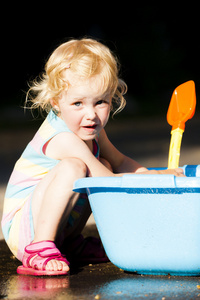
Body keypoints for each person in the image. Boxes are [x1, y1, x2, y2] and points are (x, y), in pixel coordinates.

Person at [1, 38, 184, 276]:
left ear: (112, 97)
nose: (91, 115)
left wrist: (152, 176)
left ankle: (70, 242)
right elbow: (107, 181)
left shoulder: (92, 130)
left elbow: (118, 163)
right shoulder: (62, 138)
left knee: (102, 163)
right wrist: (148, 189)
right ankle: (41, 246)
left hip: (46, 222)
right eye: (77, 103)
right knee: (76, 168)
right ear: (56, 101)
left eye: (100, 102)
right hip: (23, 231)